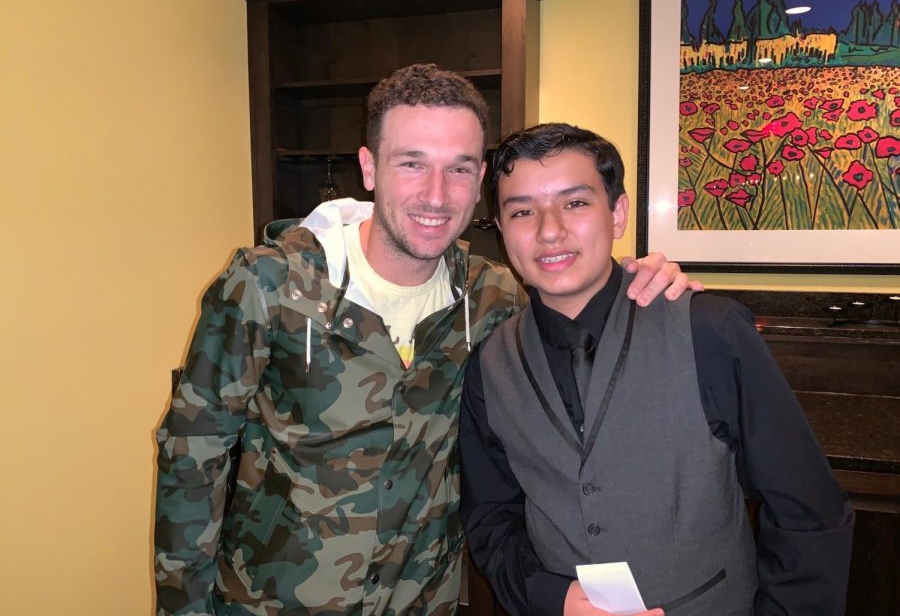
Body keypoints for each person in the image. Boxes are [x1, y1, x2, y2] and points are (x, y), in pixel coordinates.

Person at [154, 65, 694, 615]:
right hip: (273, 602)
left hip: (425, 602)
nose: (436, 196)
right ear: (369, 167)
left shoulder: (493, 296)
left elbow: (577, 294)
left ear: (480, 177)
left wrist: (640, 281)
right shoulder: (269, 287)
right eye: (411, 163)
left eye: (459, 169)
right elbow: (191, 456)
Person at [459, 123, 855, 616]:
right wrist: (550, 596)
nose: (549, 229)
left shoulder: (709, 331)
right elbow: (491, 517)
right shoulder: (489, 365)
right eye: (522, 211)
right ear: (501, 228)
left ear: (618, 212)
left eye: (576, 202)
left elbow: (808, 512)